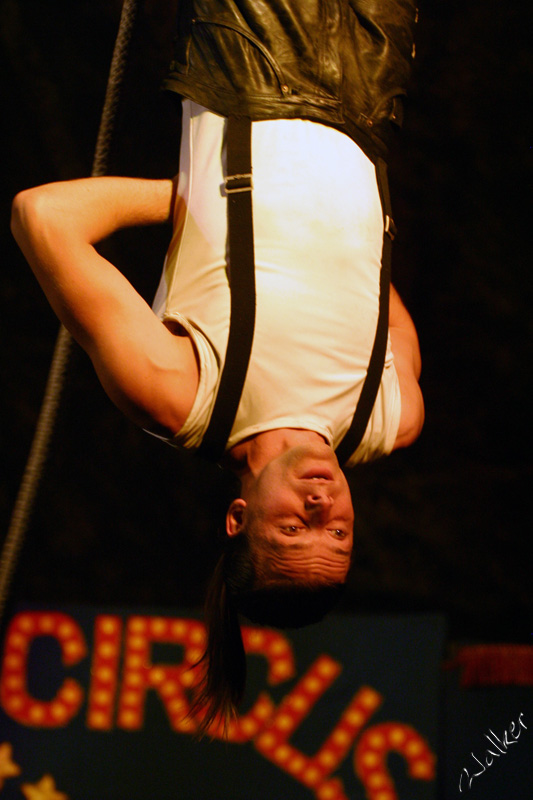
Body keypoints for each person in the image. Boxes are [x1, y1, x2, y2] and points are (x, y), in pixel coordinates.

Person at [11, 0, 422, 733]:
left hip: (251, 62)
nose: (322, 514)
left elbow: (43, 218)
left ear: (239, 519)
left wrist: (188, 205)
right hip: (366, 93)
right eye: (337, 538)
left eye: (291, 533)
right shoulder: (390, 418)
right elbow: (376, 288)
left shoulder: (180, 396)